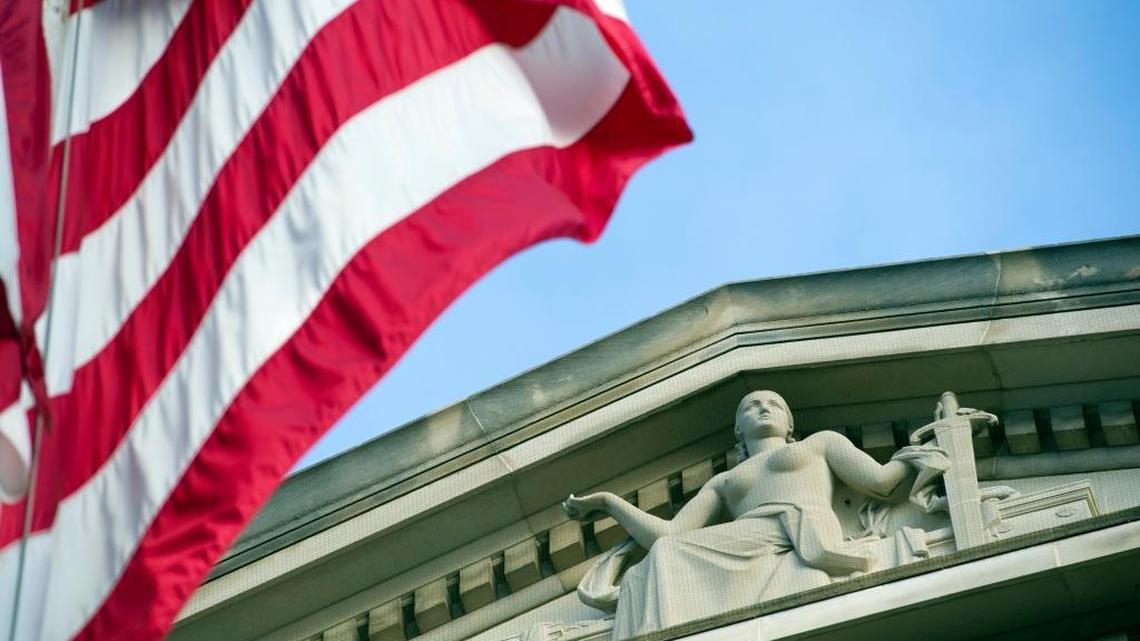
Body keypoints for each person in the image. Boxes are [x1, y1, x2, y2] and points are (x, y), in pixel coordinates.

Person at [563, 390, 928, 639]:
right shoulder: (725, 480)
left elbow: (881, 482)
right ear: (738, 428)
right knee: (659, 558)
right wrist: (610, 503)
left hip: (799, 526)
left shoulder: (821, 442)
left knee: (666, 555)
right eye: (752, 406)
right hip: (748, 535)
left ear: (789, 424)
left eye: (775, 404)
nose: (764, 408)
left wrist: (922, 452)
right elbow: (669, 533)